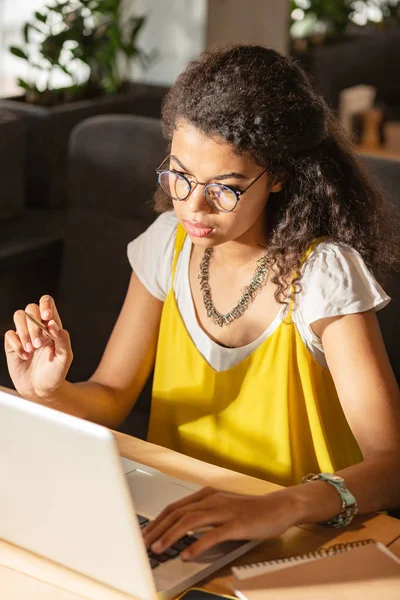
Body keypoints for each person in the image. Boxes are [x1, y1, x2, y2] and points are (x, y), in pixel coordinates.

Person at [5, 44, 400, 561]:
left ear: (278, 176)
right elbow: (110, 393)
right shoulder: (166, 243)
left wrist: (277, 506)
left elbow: (391, 465)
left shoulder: (323, 274)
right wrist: (50, 393)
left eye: (226, 188)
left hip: (304, 541)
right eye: (180, 174)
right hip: (185, 534)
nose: (192, 205)